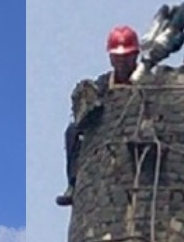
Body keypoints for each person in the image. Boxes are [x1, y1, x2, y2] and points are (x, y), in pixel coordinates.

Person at [56, 26, 140, 206]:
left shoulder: (149, 81)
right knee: (72, 131)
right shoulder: (102, 85)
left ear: (135, 56)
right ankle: (73, 183)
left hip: (138, 132)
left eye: (126, 58)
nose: (122, 63)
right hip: (102, 140)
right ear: (111, 59)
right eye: (118, 58)